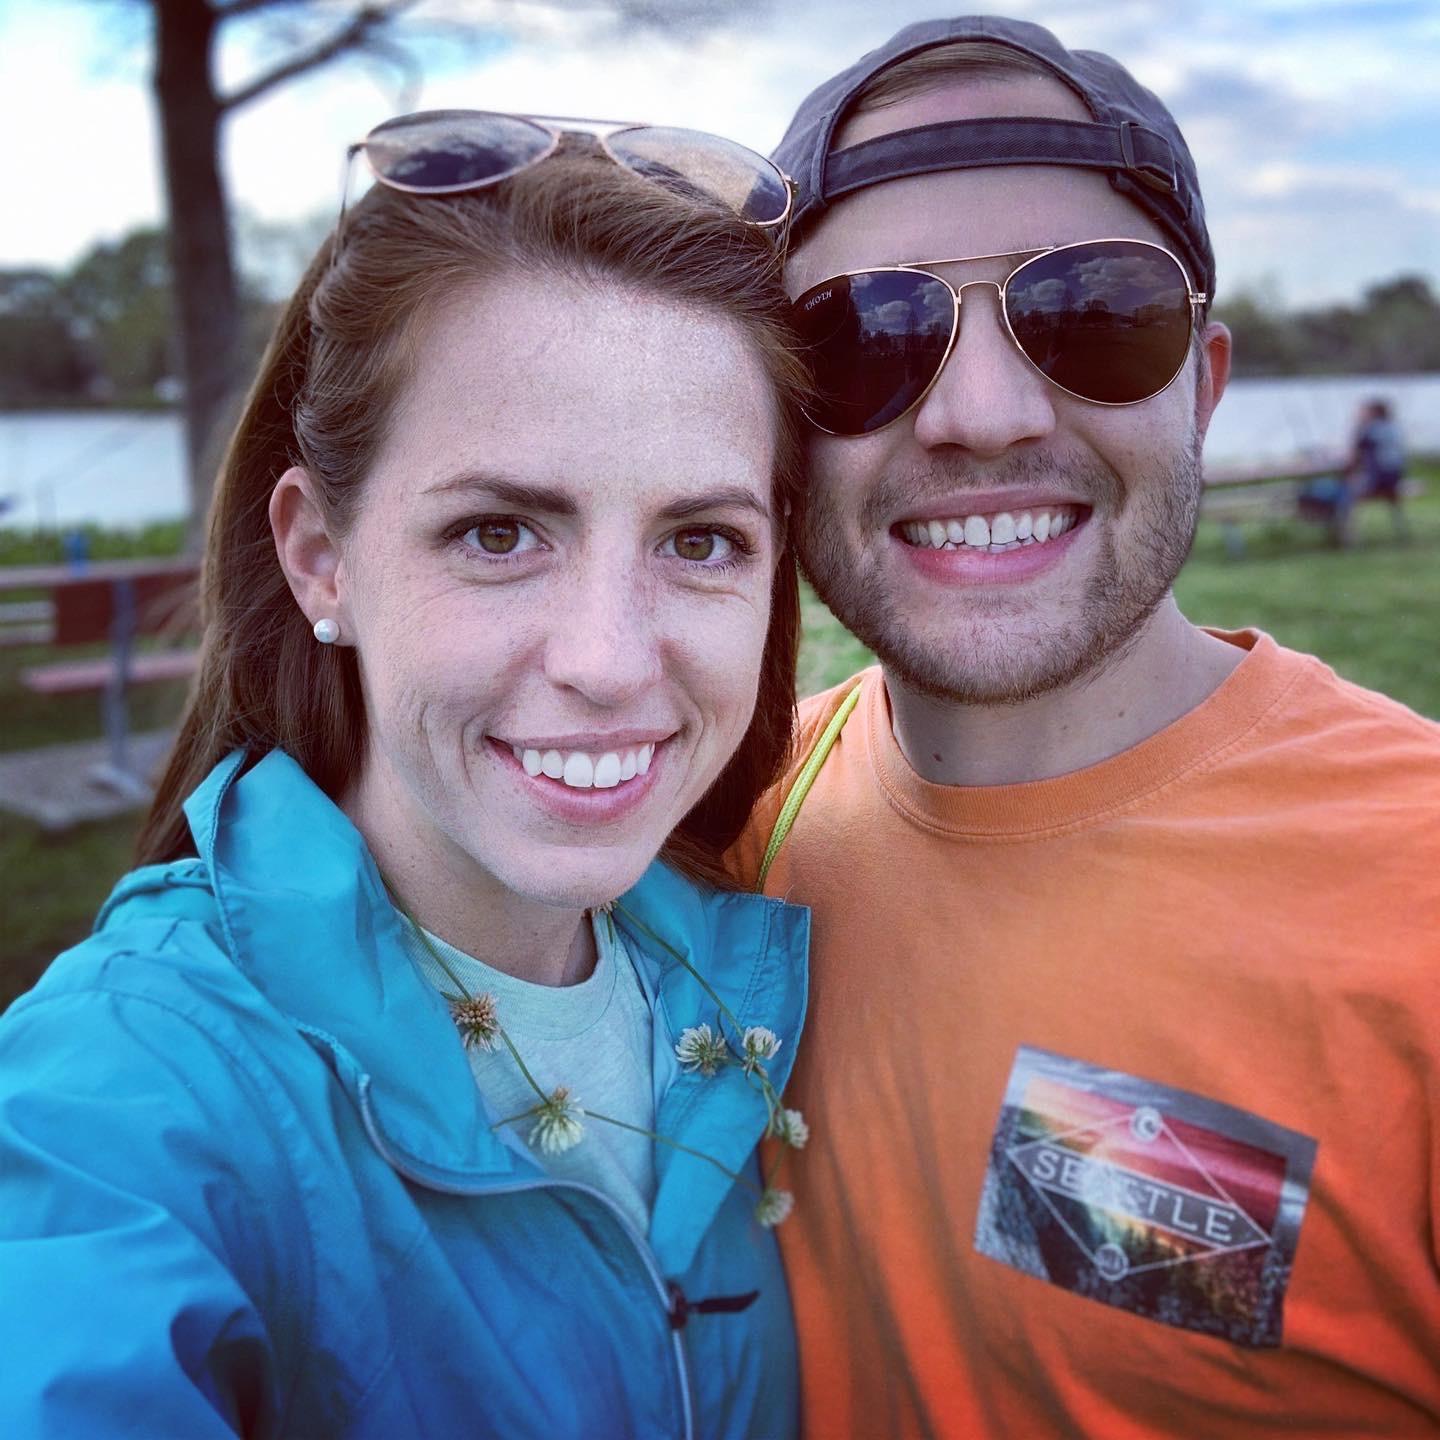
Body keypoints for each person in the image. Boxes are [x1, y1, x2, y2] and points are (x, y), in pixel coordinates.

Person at [0, 118, 816, 1438]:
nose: (607, 662)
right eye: (499, 532)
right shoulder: (129, 1088)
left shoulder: (743, 979)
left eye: (701, 539)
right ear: (321, 556)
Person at [730, 17, 1440, 1437]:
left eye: (1094, 316)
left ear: (1205, 384)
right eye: (866, 338)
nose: (981, 416)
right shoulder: (717, 842)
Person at [1350, 397, 1410, 537]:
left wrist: (1359, 426)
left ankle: (1349, 538)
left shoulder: (1369, 429)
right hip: (1395, 479)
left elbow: (1353, 457)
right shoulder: (1393, 428)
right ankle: (1402, 532)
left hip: (1378, 481)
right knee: (1392, 500)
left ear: (1373, 413)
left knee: (1347, 491)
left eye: (1364, 411)